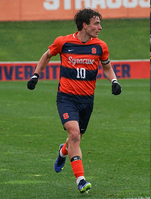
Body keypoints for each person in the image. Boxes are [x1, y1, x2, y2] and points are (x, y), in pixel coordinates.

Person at [27, 8, 122, 193]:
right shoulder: (63, 41)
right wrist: (35, 75)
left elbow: (107, 67)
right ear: (84, 25)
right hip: (66, 97)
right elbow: (47, 55)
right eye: (96, 23)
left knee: (75, 138)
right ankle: (80, 180)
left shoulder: (100, 46)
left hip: (87, 100)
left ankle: (63, 151)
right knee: (75, 135)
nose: (100, 27)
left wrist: (115, 81)